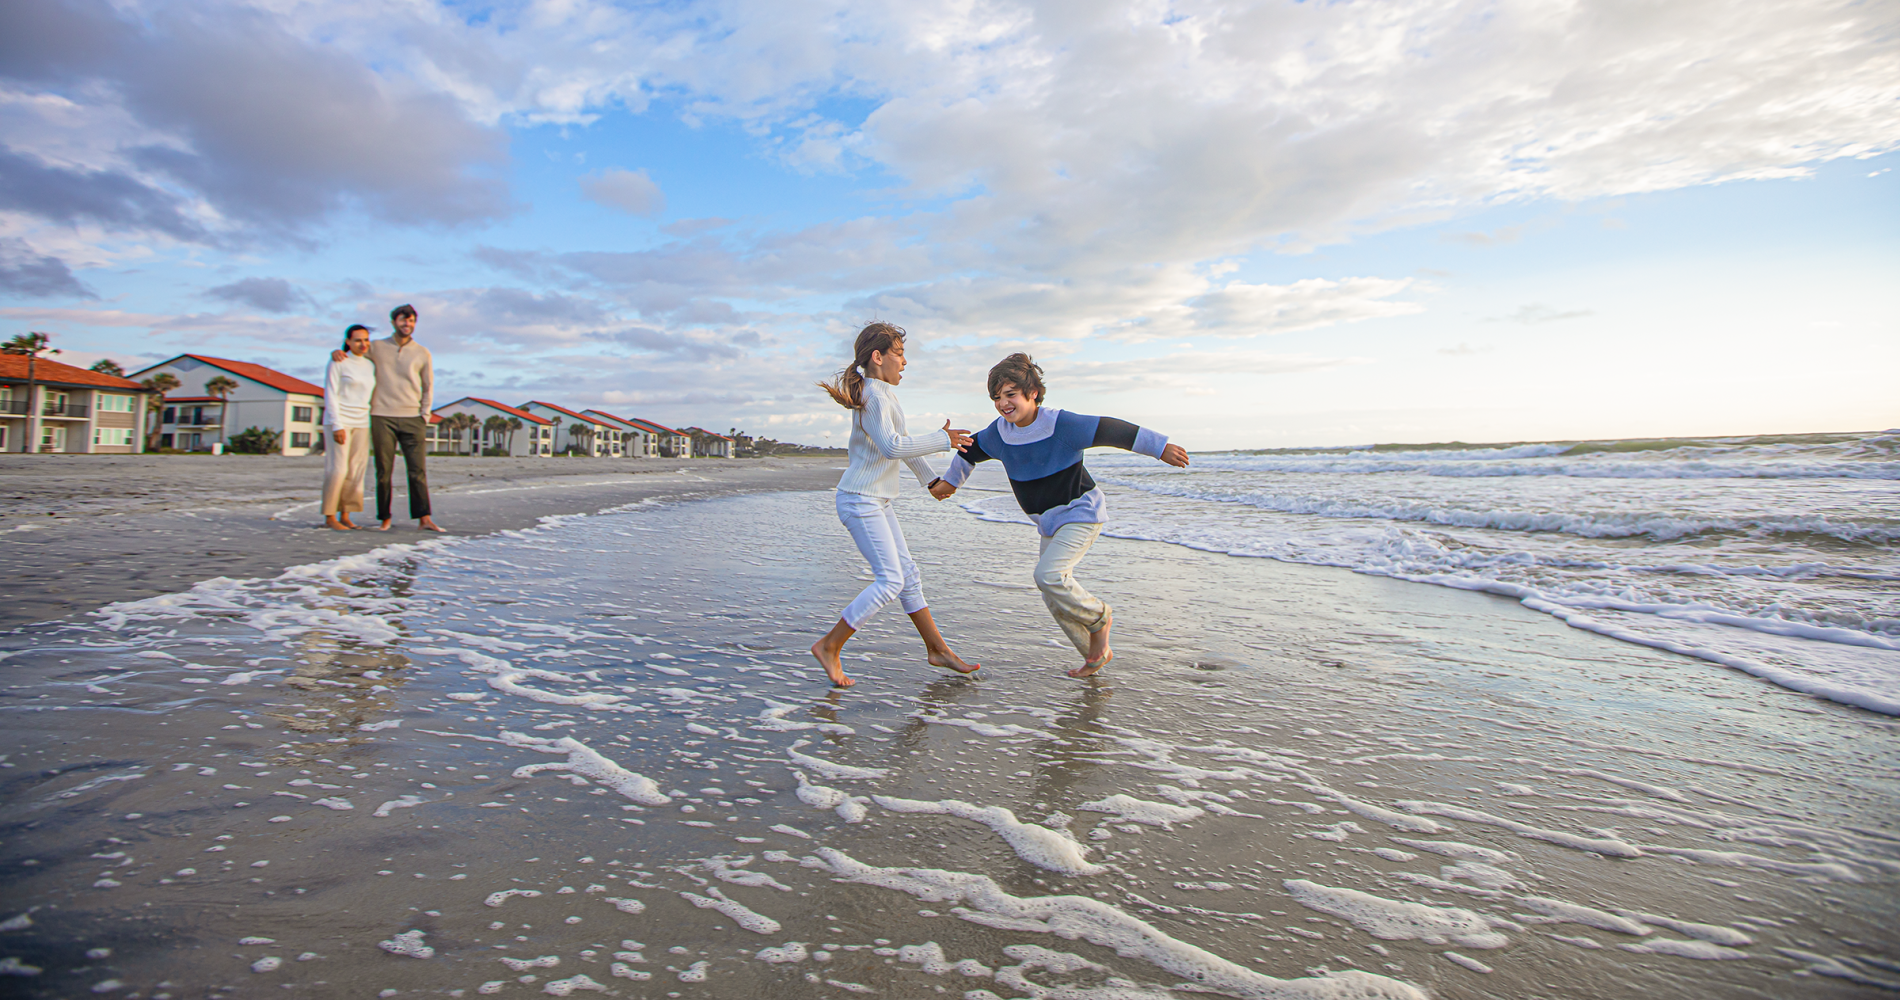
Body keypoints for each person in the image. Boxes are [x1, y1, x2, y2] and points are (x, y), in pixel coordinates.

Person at [932, 353, 1189, 677]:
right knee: (1053, 595)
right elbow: (969, 450)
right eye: (997, 397)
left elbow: (1113, 430)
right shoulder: (1000, 433)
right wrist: (950, 482)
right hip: (1048, 523)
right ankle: (1095, 653)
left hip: (1081, 512)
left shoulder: (1061, 424)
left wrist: (1160, 447)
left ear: (1033, 393)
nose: (1002, 403)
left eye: (1010, 394)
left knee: (1048, 576)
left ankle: (1100, 617)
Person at [809, 322, 980, 688]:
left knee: (908, 575)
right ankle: (829, 645)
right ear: (878, 356)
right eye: (899, 354)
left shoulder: (883, 395)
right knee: (890, 581)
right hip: (860, 500)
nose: (904, 363)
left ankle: (938, 650)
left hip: (876, 500)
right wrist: (942, 439)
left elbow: (899, 443)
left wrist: (930, 481)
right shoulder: (874, 397)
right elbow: (891, 447)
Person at [366, 304, 442, 532]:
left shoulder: (422, 352)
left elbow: (428, 385)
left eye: (411, 321)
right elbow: (354, 355)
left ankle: (424, 518)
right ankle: (385, 518)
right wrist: (338, 352)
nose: (406, 324)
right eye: (402, 320)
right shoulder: (376, 347)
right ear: (393, 322)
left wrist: (424, 415)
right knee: (383, 470)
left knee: (417, 470)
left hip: (412, 417)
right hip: (381, 415)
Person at [320, 324, 376, 530]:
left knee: (356, 470)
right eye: (358, 340)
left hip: (362, 422)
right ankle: (329, 516)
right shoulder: (338, 362)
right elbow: (330, 393)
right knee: (338, 469)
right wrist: (337, 424)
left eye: (366, 340)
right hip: (340, 421)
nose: (363, 344)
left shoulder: (370, 365)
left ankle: (346, 514)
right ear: (348, 342)